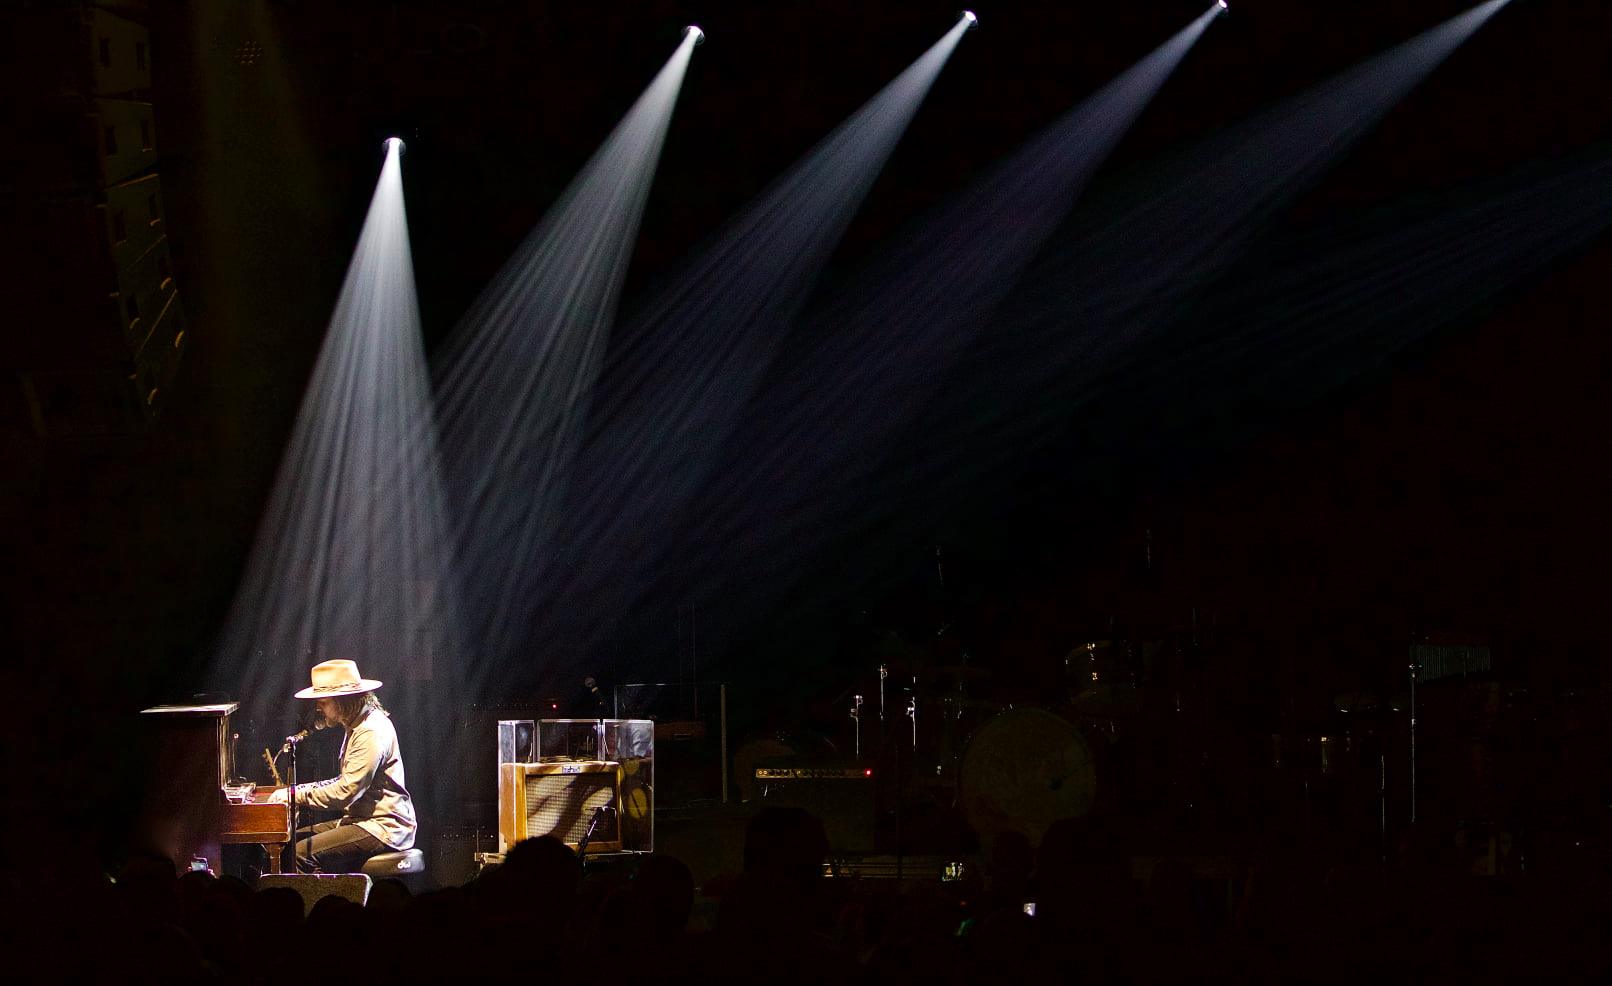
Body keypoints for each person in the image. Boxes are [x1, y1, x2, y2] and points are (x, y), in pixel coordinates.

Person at [268, 659, 416, 873]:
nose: (318, 707)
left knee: (300, 853)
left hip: (383, 827)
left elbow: (345, 792)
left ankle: (322, 905)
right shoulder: (356, 725)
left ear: (343, 700)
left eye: (324, 701)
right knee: (288, 843)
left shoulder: (370, 732)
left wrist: (293, 795)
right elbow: (345, 781)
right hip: (362, 820)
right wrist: (297, 791)